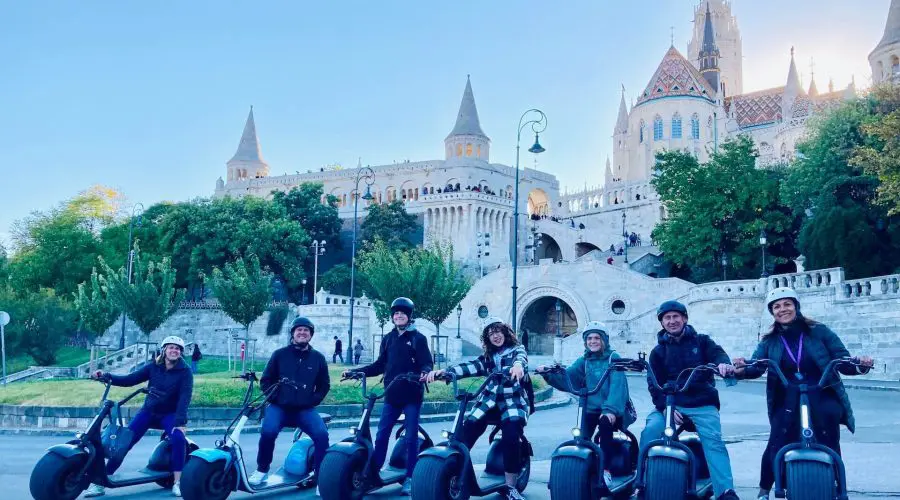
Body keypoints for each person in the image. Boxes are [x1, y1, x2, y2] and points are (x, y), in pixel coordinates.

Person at [733, 288, 875, 500]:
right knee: (777, 440)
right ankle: (764, 490)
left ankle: (837, 486)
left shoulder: (819, 331)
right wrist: (742, 369)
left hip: (821, 392)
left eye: (787, 304)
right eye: (777, 306)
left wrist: (861, 365)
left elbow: (842, 360)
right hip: (787, 396)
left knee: (829, 437)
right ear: (772, 312)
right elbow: (756, 366)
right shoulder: (770, 340)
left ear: (796, 306)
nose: (783, 309)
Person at [638, 300, 739, 500]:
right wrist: (664, 407)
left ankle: (726, 491)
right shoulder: (657, 352)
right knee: (650, 431)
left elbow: (718, 354)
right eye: (667, 318)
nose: (672, 321)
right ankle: (641, 483)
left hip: (702, 402)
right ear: (662, 323)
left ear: (684, 318)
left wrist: (724, 364)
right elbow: (654, 384)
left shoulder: (702, 341)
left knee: (714, 442)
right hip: (670, 405)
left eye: (676, 316)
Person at [426, 318, 530, 500]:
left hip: (512, 402)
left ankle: (510, 487)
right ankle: (455, 470)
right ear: (487, 338)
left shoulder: (517, 350)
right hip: (489, 401)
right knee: (468, 428)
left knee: (511, 436)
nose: (495, 336)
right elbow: (470, 366)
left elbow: (521, 360)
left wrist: (518, 366)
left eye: (498, 331)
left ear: (505, 333)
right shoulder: (488, 357)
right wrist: (445, 372)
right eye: (491, 334)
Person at [85, 336, 193, 498]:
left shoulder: (185, 372)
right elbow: (130, 379)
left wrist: (180, 422)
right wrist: (107, 376)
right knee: (124, 441)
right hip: (148, 412)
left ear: (180, 353)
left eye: (177, 349)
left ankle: (177, 482)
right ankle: (100, 482)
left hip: (169, 414)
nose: (174, 351)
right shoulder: (153, 367)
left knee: (178, 439)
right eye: (171, 347)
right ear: (164, 350)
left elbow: (185, 398)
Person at [347, 297, 433, 496]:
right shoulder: (388, 338)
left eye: (402, 313)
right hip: (392, 394)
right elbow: (379, 366)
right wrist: (356, 371)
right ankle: (373, 474)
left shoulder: (418, 338)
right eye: (396, 313)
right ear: (393, 317)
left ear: (409, 317)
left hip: (412, 394)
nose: (399, 316)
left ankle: (410, 477)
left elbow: (426, 363)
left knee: (411, 437)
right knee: (382, 434)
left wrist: (425, 372)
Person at [536, 321, 634, 486]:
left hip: (612, 410)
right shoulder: (585, 360)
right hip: (591, 409)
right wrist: (548, 373)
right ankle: (582, 469)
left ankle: (606, 470)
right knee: (581, 437)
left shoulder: (613, 358)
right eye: (589, 338)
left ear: (604, 340)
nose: (593, 341)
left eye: (597, 338)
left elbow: (618, 387)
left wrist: (609, 410)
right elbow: (569, 377)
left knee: (604, 429)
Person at [249, 317, 330, 486]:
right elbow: (266, 380)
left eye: (306, 330)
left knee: (322, 435)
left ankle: (320, 473)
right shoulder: (279, 355)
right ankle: (262, 469)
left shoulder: (318, 358)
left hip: (304, 409)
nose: (302, 333)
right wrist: (276, 398)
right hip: (279, 407)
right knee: (268, 432)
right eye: (298, 330)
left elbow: (324, 385)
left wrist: (311, 400)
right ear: (293, 333)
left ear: (310, 335)